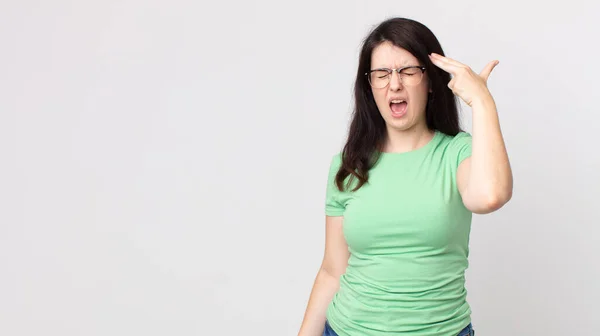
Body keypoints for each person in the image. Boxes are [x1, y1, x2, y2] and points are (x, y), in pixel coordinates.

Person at [297, 17, 513, 336]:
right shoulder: (348, 164)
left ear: (429, 81)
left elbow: (490, 196)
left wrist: (482, 101)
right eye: (382, 74)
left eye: (408, 71)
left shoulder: (457, 153)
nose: (394, 84)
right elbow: (332, 271)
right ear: (370, 87)